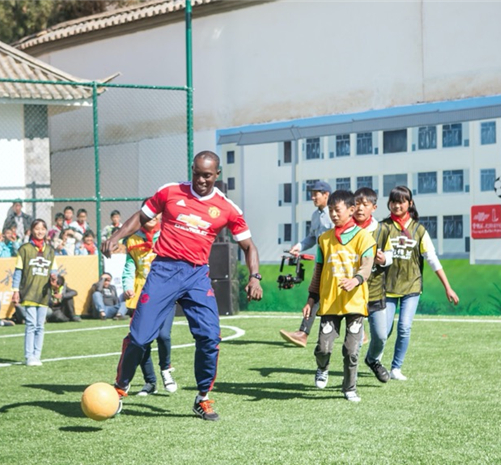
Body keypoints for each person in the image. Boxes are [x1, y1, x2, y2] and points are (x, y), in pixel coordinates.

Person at [102, 151, 263, 421]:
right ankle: (120, 389)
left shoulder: (227, 208)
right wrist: (116, 237)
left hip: (197, 276)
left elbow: (249, 245)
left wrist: (254, 277)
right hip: (163, 270)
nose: (201, 179)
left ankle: (202, 398)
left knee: (210, 338)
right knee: (140, 338)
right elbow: (141, 217)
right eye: (197, 173)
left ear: (217, 175)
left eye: (207, 175)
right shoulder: (170, 191)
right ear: (192, 170)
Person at [302, 190, 376, 402]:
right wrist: (310, 300)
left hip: (355, 303)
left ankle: (349, 388)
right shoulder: (324, 240)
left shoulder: (365, 238)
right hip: (330, 303)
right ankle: (322, 367)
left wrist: (356, 280)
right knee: (323, 348)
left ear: (351, 210)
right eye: (331, 210)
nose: (333, 214)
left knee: (351, 351)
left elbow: (367, 266)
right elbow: (318, 272)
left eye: (337, 210)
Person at [380, 186, 459, 381]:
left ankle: (396, 368)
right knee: (383, 330)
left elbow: (432, 259)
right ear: (389, 203)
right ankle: (375, 360)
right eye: (394, 201)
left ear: (410, 203)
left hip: (411, 288)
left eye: (402, 201)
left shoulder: (419, 230)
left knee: (404, 327)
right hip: (386, 288)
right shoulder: (383, 227)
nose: (397, 205)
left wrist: (447, 287)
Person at [122, 206, 177, 396]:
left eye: (155, 214)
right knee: (141, 341)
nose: (152, 217)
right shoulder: (133, 240)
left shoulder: (169, 234)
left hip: (165, 293)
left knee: (163, 336)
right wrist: (127, 285)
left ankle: (166, 370)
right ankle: (150, 381)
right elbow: (130, 267)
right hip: (142, 296)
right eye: (148, 214)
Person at [279, 180, 333, 347]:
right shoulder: (316, 216)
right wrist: (299, 247)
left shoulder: (336, 213)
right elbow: (311, 237)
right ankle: (302, 333)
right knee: (314, 295)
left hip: (338, 263)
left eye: (316, 193)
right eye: (312, 193)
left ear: (326, 195)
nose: (312, 197)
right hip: (322, 261)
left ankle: (360, 332)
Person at [352, 188, 393, 383]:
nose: (360, 208)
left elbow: (391, 256)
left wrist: (384, 259)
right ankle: (350, 375)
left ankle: (373, 360)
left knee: (381, 335)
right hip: (352, 293)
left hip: (376, 291)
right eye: (357, 204)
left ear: (374, 208)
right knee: (354, 340)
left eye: (365, 204)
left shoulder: (382, 230)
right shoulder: (346, 229)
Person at [12, 219, 56, 366]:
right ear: (31, 230)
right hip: (29, 291)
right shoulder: (24, 249)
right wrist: (15, 290)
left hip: (43, 293)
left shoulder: (50, 250)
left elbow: (53, 270)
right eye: (37, 229)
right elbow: (18, 272)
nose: (40, 232)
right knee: (31, 324)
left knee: (40, 325)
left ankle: (37, 355)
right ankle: (29, 355)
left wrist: (54, 279)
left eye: (42, 229)